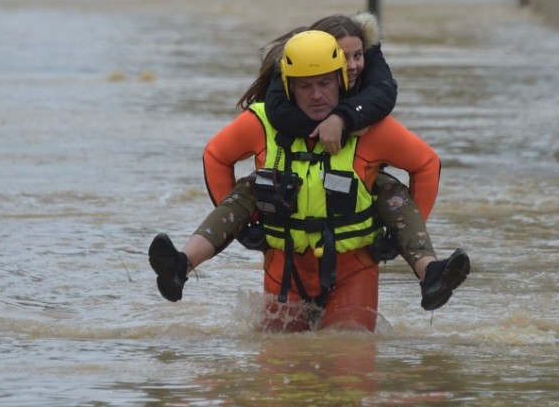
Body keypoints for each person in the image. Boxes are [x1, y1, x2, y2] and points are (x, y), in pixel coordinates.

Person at [149, 30, 469, 331]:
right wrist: (250, 227)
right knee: (280, 367)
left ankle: (430, 271)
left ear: (341, 80)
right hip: (284, 263)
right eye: (304, 86)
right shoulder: (260, 122)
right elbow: (216, 156)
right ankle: (181, 265)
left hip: (353, 265)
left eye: (325, 84)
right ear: (288, 86)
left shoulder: (370, 127)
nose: (316, 95)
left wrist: (393, 239)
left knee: (348, 354)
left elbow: (426, 163)